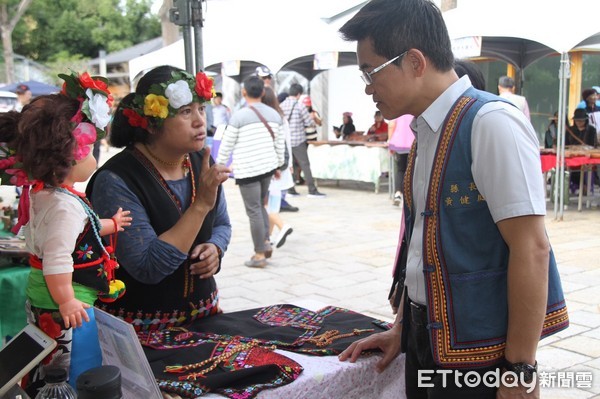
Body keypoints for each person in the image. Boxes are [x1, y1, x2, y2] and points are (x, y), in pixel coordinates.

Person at [337, 1, 569, 398]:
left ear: (414, 61)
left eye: (369, 71)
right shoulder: (425, 127)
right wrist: (402, 330)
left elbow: (531, 248)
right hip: (425, 338)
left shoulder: (490, 122)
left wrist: (519, 369)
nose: (367, 87)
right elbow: (421, 247)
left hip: (481, 355)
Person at [0, 72, 132, 392]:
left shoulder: (49, 194)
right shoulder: (63, 206)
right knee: (71, 364)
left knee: (50, 359)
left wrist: (111, 224)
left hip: (51, 300)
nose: (94, 154)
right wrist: (67, 300)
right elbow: (58, 256)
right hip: (63, 305)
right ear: (71, 156)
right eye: (90, 149)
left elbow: (78, 231)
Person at [87, 65, 232, 329]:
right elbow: (147, 266)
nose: (200, 121)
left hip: (205, 317)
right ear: (152, 123)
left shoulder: (202, 161)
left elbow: (222, 224)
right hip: (141, 331)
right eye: (186, 112)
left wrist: (215, 248)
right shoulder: (116, 180)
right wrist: (200, 206)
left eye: (201, 108)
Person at [217, 75, 285, 268]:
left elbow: (226, 145)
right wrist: (278, 166)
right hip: (267, 169)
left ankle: (259, 254)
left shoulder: (238, 116)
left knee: (254, 210)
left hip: (248, 171)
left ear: (244, 92)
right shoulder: (274, 115)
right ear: (263, 92)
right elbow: (279, 146)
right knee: (261, 206)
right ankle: (264, 242)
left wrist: (219, 165)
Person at [280, 83, 325, 197]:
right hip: (298, 140)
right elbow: (309, 123)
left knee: (291, 165)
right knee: (305, 165)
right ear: (299, 94)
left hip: (286, 141)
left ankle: (291, 189)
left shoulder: (281, 105)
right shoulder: (300, 106)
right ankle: (312, 190)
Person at [262, 86, 294, 248]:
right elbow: (288, 142)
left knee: (263, 204)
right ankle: (268, 237)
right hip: (282, 165)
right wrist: (290, 165)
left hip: (269, 166)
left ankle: (283, 226)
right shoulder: (281, 117)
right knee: (273, 203)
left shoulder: (265, 118)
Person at [387, 114, 414, 206]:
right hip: (413, 144)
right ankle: (410, 194)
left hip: (399, 144)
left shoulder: (398, 110)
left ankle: (398, 193)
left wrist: (390, 142)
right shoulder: (414, 110)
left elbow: (391, 125)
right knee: (413, 170)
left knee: (400, 170)